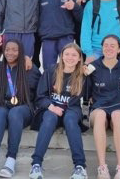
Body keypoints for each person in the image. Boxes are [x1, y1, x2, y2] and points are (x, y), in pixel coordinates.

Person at [0, 39, 41, 179]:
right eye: (7, 49)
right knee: (0, 114)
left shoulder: (30, 69)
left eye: (15, 49)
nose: (10, 52)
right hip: (2, 104)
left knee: (15, 113)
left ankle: (10, 161)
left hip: (23, 108)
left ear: (21, 52)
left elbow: (39, 94)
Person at [29, 43, 88, 179]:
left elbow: (92, 94)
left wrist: (90, 71)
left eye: (74, 55)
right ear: (61, 56)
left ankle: (80, 167)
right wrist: (52, 107)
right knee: (49, 118)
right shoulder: (51, 71)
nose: (70, 57)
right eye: (67, 54)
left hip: (72, 110)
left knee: (70, 119)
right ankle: (36, 164)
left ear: (80, 58)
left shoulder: (83, 75)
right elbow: (40, 97)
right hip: (52, 107)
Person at [86, 35, 120, 179]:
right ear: (102, 48)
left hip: (119, 108)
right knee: (100, 115)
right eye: (106, 45)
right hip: (99, 108)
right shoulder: (92, 66)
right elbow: (86, 92)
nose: (108, 48)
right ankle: (102, 167)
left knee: (117, 115)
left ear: (119, 49)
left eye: (112, 45)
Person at [38, 0, 82, 70]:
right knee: (48, 70)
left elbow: (80, 18)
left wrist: (75, 7)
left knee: (69, 68)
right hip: (47, 38)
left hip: (66, 37)